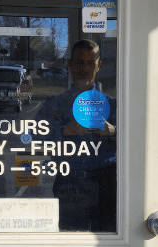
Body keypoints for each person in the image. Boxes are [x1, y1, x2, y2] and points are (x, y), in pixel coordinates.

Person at [35, 40, 116, 231]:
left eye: (91, 63)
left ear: (99, 66)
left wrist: (114, 131)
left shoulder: (113, 105)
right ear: (69, 65)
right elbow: (34, 137)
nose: (84, 68)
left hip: (107, 182)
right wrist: (63, 131)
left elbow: (138, 139)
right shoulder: (55, 103)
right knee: (71, 241)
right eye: (79, 62)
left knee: (107, 241)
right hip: (69, 183)